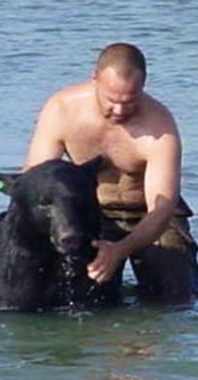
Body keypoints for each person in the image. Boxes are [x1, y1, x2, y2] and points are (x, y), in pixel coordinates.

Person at [24, 42, 197, 301]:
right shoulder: (62, 110)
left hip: (150, 216)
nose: (120, 110)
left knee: (176, 295)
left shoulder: (160, 126)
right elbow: (37, 181)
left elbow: (162, 208)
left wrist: (119, 250)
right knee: (80, 296)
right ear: (95, 79)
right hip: (93, 212)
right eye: (112, 100)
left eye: (130, 101)